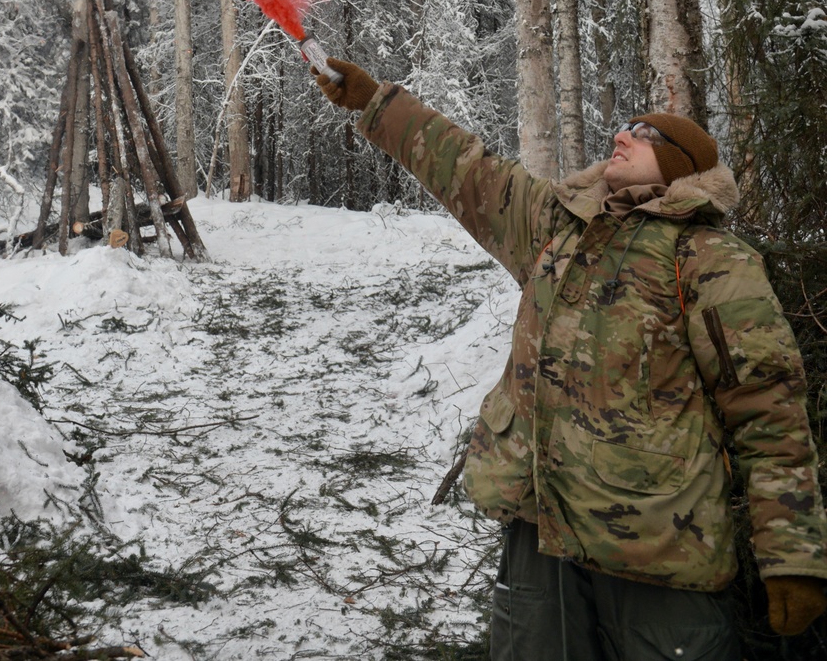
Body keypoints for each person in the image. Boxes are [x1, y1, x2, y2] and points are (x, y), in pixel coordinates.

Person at [313, 58, 827, 661]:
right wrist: (378, 102)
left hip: (657, 547)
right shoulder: (557, 227)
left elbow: (768, 411)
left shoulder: (711, 259)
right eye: (624, 125)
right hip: (540, 531)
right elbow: (467, 168)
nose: (622, 134)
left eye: (645, 133)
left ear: (684, 164)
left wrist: (791, 555)